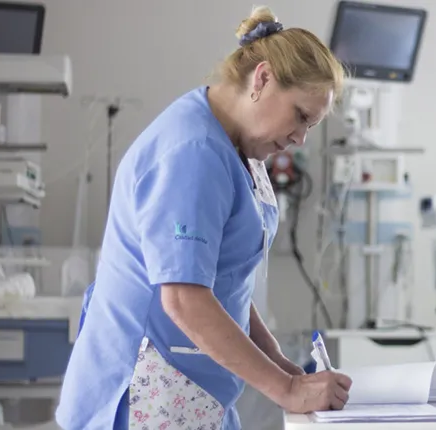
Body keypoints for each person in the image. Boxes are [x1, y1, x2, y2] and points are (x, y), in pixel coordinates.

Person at [55, 6, 352, 429]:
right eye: (301, 116)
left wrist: (285, 369)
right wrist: (285, 391)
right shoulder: (193, 153)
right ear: (263, 79)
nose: (300, 139)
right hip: (143, 399)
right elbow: (185, 299)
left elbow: (223, 280)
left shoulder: (238, 147)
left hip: (194, 394)